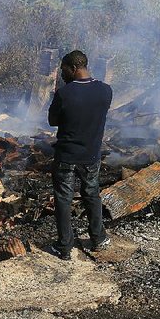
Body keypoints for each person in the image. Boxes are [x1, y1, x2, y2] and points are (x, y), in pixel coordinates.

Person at [47, 50, 112, 260]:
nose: (62, 73)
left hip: (66, 156)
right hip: (91, 156)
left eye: (63, 69)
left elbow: (52, 121)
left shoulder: (65, 93)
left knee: (63, 199)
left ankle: (64, 246)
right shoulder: (105, 91)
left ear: (73, 68)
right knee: (92, 194)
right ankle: (98, 238)